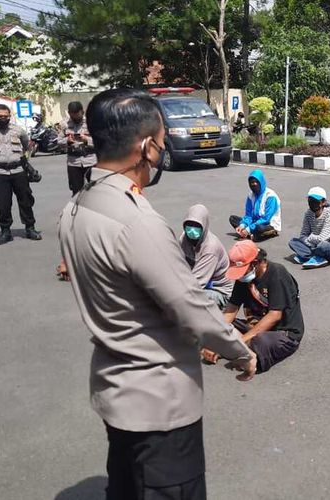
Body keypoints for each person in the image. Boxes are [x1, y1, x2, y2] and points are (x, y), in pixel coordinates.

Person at [58, 88, 256, 499]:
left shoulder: (76, 206)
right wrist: (242, 350)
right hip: (160, 406)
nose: (161, 155)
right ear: (146, 147)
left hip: (116, 391)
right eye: (162, 144)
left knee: (126, 487)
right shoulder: (138, 223)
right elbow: (190, 305)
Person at [201, 241, 304, 374]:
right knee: (216, 321)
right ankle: (236, 347)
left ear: (256, 262)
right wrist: (215, 339)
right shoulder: (243, 279)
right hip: (256, 326)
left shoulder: (277, 273)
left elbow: (274, 316)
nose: (241, 276)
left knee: (260, 340)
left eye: (243, 270)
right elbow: (231, 310)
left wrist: (241, 341)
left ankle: (240, 349)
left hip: (283, 334)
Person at [0, 103, 41, 245]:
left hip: (19, 171)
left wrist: (25, 162)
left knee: (26, 201)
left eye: (6, 116)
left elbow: (28, 147)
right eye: (0, 116)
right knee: (2, 203)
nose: (3, 118)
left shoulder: (18, 130)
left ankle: (30, 228)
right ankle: (5, 231)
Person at [179, 204, 234, 309]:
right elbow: (177, 263)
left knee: (186, 299)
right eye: (189, 225)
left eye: (196, 226)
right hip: (196, 281)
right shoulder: (184, 238)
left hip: (217, 290)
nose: (192, 230)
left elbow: (196, 285)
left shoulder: (210, 248)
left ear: (203, 226)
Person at [288, 187, 330, 269]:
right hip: (315, 245)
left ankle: (311, 256)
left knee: (322, 245)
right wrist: (311, 241)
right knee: (293, 242)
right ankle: (316, 257)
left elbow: (323, 239)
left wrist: (311, 238)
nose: (312, 203)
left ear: (323, 202)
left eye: (315, 200)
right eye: (310, 200)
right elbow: (303, 235)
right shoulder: (308, 213)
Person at [229, 169, 281, 241]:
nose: (254, 184)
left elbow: (266, 219)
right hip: (254, 222)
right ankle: (248, 234)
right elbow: (248, 215)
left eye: (256, 182)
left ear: (261, 182)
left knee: (259, 228)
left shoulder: (270, 196)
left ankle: (250, 234)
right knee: (233, 219)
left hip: (267, 224)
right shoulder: (251, 195)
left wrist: (249, 228)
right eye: (251, 182)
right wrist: (243, 225)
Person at [59, 101, 97, 196]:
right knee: (76, 192)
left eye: (77, 115)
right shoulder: (64, 124)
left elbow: (100, 140)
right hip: (73, 162)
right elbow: (58, 141)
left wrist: (86, 140)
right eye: (73, 115)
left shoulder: (92, 122)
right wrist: (67, 140)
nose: (75, 117)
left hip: (91, 161)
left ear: (82, 112)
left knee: (96, 190)